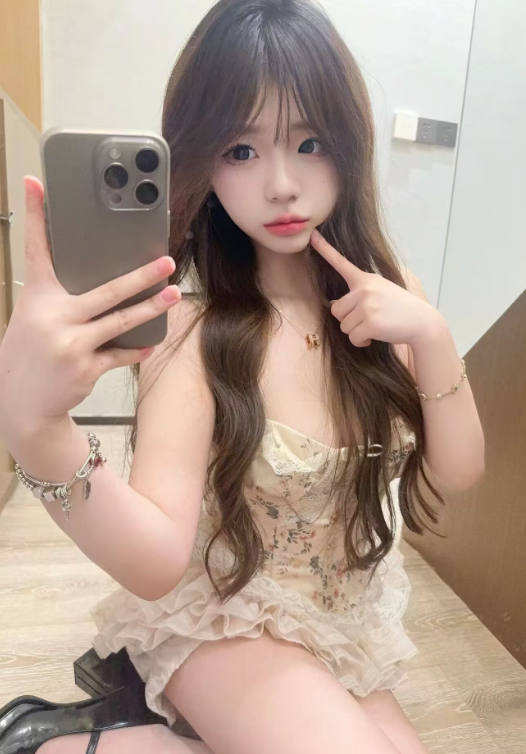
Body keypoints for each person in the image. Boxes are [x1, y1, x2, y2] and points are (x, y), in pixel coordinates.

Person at [0, 0, 485, 753]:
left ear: (349, 143)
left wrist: (435, 336)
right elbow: (157, 563)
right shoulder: (195, 332)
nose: (282, 184)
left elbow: (459, 471)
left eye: (309, 142)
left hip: (342, 624)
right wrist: (37, 429)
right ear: (200, 162)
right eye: (241, 150)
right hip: (224, 618)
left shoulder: (391, 301)